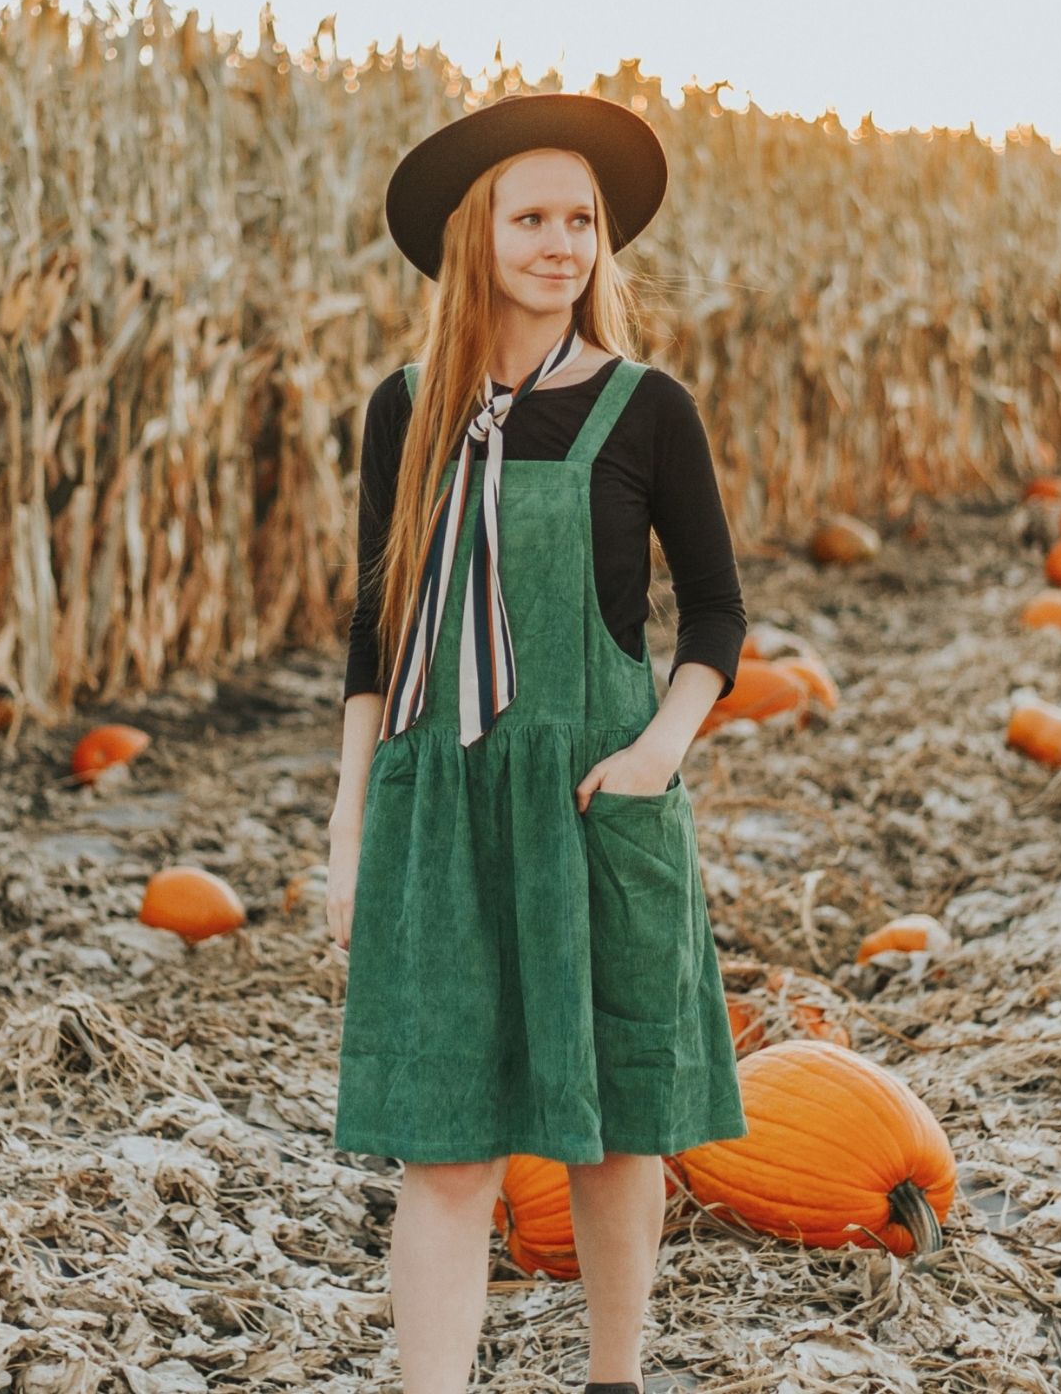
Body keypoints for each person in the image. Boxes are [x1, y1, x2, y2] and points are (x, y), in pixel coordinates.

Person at [327, 91, 749, 1394]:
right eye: (533, 218)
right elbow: (373, 631)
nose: (561, 243)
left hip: (594, 794)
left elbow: (720, 613)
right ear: (479, 235)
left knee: (617, 1130)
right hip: (439, 805)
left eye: (582, 221)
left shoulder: (646, 408)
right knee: (447, 1152)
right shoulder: (404, 412)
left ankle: (614, 1381)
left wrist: (660, 753)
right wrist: (347, 827)